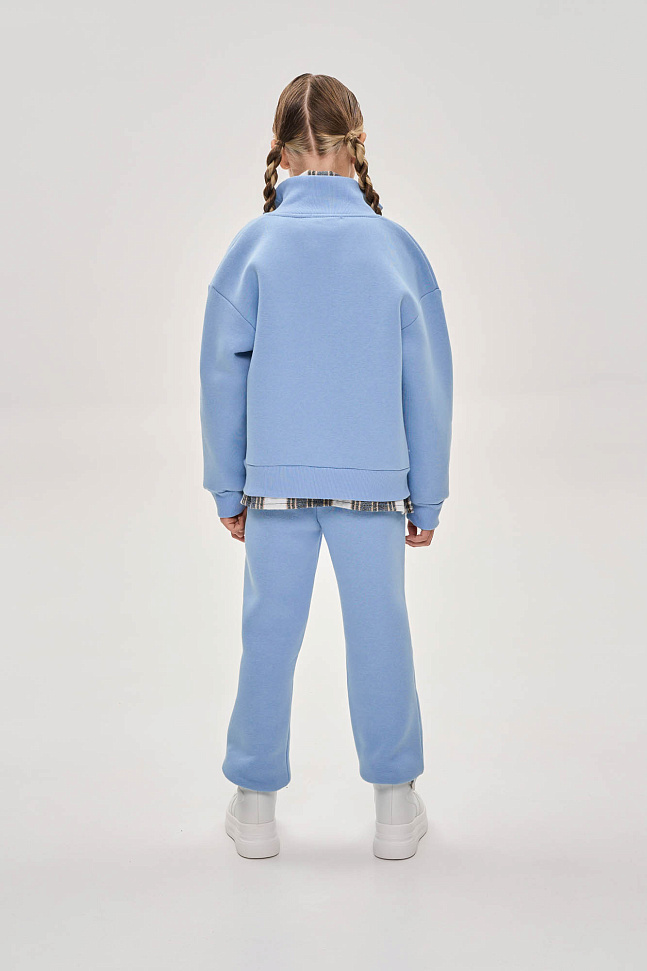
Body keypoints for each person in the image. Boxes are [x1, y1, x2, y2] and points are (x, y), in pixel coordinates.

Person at [199, 74, 453, 860]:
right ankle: (394, 805)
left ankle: (253, 807)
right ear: (357, 143)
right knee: (381, 637)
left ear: (280, 152)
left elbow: (220, 375)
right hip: (373, 491)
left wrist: (227, 486)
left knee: (266, 637)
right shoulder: (394, 248)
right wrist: (427, 497)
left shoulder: (253, 246)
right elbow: (426, 382)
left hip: (273, 488)